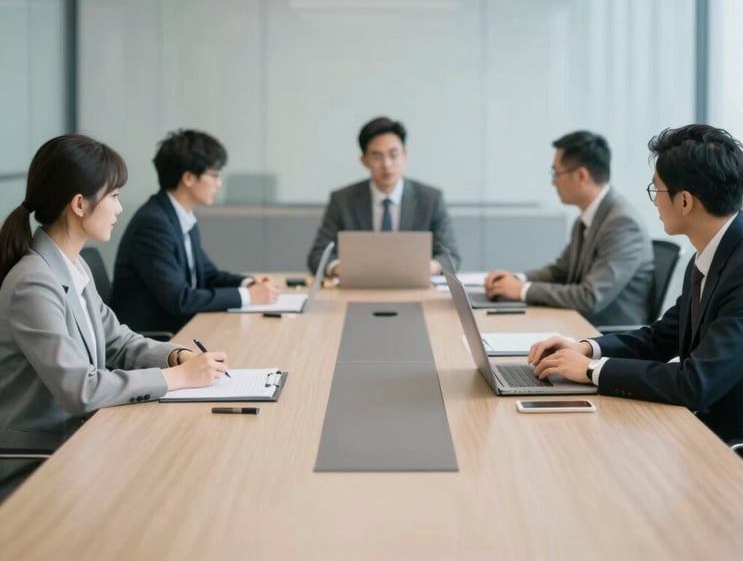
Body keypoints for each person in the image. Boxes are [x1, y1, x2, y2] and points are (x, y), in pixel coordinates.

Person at [529, 125, 743, 478]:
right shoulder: (711, 253)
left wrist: (593, 372)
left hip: (736, 451)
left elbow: (695, 383)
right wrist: (586, 349)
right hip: (697, 430)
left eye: (657, 189)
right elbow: (660, 338)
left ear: (685, 201)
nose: (654, 200)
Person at [0, 134, 228, 498]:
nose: (120, 209)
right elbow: (82, 389)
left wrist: (174, 355)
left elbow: (117, 340)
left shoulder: (72, 268)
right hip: (43, 459)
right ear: (79, 204)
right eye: (114, 196)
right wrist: (177, 377)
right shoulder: (34, 283)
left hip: (84, 438)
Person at [111, 130, 279, 335]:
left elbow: (208, 275)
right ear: (189, 177)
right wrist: (248, 296)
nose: (219, 183)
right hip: (158, 337)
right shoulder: (153, 224)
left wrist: (249, 284)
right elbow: (179, 299)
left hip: (184, 328)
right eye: (214, 175)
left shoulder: (180, 217)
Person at [484, 130, 654, 327]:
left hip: (605, 334)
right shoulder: (587, 218)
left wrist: (523, 290)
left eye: (556, 173)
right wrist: (516, 279)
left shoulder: (622, 224)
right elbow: (561, 272)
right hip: (576, 323)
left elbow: (590, 297)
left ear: (582, 175)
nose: (552, 181)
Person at [307, 116, 460, 276]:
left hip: (413, 287)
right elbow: (318, 256)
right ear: (364, 160)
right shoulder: (342, 200)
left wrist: (431, 267)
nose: (386, 164)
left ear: (405, 155)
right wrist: (340, 268)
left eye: (393, 155)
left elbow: (451, 257)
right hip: (360, 288)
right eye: (376, 157)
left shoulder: (431, 199)